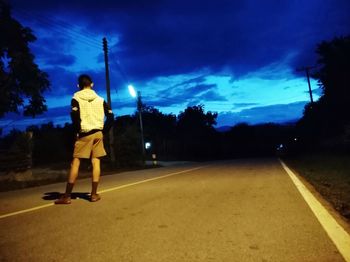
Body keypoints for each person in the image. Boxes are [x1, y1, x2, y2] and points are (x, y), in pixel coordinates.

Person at [55, 74, 114, 204]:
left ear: (78, 85)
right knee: (96, 162)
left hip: (84, 133)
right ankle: (93, 195)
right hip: (98, 133)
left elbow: (75, 117)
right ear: (92, 84)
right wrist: (103, 131)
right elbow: (111, 117)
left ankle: (67, 196)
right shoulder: (101, 99)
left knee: (75, 162)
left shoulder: (76, 98)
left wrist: (77, 132)